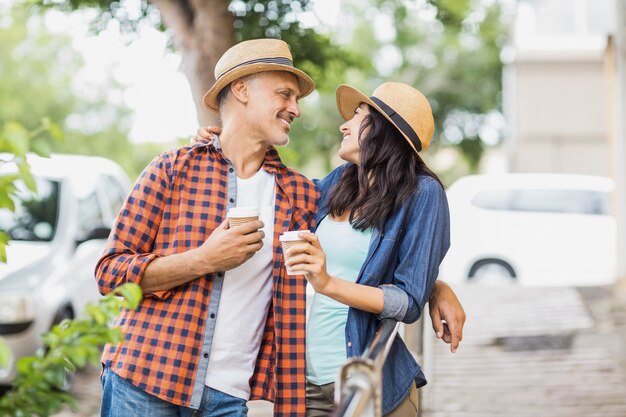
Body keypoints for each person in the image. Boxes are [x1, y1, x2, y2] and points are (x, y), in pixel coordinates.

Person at [97, 38, 464, 417]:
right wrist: (204, 258)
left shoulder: (301, 194)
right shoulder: (175, 169)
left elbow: (389, 265)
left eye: (357, 116)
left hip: (241, 394)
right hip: (145, 376)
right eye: (285, 94)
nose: (297, 109)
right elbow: (109, 274)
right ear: (240, 90)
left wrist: (432, 286)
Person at [196, 81, 462, 417]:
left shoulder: (423, 194)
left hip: (369, 384)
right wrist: (220, 149)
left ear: (384, 131)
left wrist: (328, 284)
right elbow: (275, 187)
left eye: (357, 115)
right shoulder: (337, 183)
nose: (344, 124)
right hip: (304, 385)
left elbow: (407, 302)